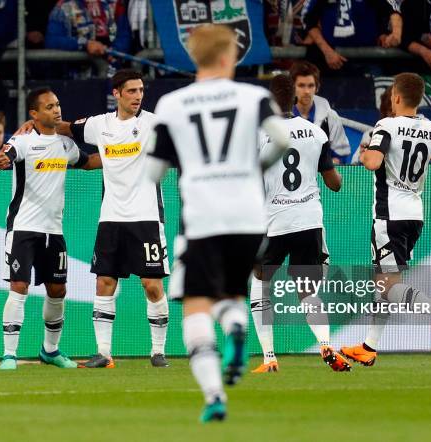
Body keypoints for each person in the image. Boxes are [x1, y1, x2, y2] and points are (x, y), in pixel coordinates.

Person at [145, 24, 289, 422]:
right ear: (230, 58)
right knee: (232, 292)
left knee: (196, 306)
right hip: (248, 214)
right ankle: (239, 330)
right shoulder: (255, 96)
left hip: (202, 214)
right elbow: (281, 140)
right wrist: (249, 168)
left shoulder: (173, 104)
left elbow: (153, 172)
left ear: (195, 57)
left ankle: (213, 396)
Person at [18, 69, 172, 369]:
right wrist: (36, 124)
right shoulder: (100, 125)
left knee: (151, 284)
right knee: (104, 282)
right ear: (117, 93)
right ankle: (104, 353)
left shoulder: (153, 123)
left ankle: (158, 351)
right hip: (111, 217)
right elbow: (65, 128)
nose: (138, 96)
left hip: (147, 217)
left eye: (141, 90)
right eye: (131, 91)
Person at [340, 73, 431, 366]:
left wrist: (367, 149)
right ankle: (369, 347)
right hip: (414, 216)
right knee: (385, 283)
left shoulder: (386, 125)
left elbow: (372, 162)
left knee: (389, 286)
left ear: (395, 97)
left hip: (389, 215)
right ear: (419, 97)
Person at [0, 87, 100, 370]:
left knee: (58, 290)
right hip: (23, 228)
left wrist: (124, 154)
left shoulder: (66, 145)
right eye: (50, 106)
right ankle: (9, 355)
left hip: (53, 231)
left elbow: (88, 163)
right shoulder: (24, 141)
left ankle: (50, 351)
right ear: (34, 114)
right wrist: (2, 157)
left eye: (58, 104)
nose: (57, 110)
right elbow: (7, 154)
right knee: (19, 286)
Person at [249, 73, 349, 374]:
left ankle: (269, 358)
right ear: (295, 100)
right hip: (308, 220)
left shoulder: (258, 135)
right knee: (307, 290)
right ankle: (325, 343)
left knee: (260, 283)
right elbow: (334, 184)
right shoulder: (315, 132)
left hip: (273, 223)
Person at [301, 0, 403, 71]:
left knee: (368, 100)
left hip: (369, 58)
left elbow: (393, 9)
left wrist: (396, 33)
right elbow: (308, 20)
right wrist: (327, 51)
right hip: (333, 60)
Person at [289, 61, 350, 163]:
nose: (307, 91)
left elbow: (341, 155)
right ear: (292, 87)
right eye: (301, 85)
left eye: (310, 86)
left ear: (317, 88)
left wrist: (331, 164)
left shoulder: (330, 117)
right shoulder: (280, 117)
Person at [350, 85, 393, 165]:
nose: (395, 116)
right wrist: (362, 157)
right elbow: (353, 168)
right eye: (391, 110)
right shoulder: (370, 135)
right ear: (385, 111)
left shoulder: (418, 133)